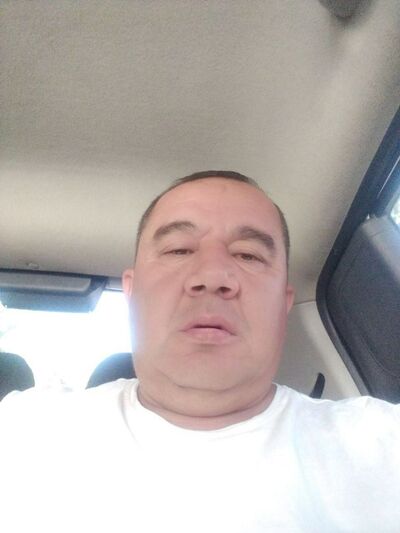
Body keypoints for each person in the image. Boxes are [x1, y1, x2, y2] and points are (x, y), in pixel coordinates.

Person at [1, 171, 399, 533]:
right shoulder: (23, 431)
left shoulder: (379, 448)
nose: (212, 276)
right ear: (131, 291)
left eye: (248, 255)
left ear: (283, 304)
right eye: (178, 250)